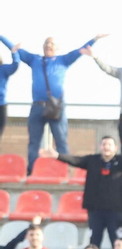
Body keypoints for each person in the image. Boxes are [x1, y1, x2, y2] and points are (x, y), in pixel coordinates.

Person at [0, 33, 100, 173]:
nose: (49, 46)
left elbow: (80, 50)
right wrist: (1, 37)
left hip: (56, 107)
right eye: (46, 43)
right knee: (33, 142)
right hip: (37, 106)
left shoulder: (63, 60)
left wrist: (94, 39)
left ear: (57, 48)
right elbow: (15, 49)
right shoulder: (34, 59)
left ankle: (65, 172)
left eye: (52, 44)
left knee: (61, 141)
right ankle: (32, 172)